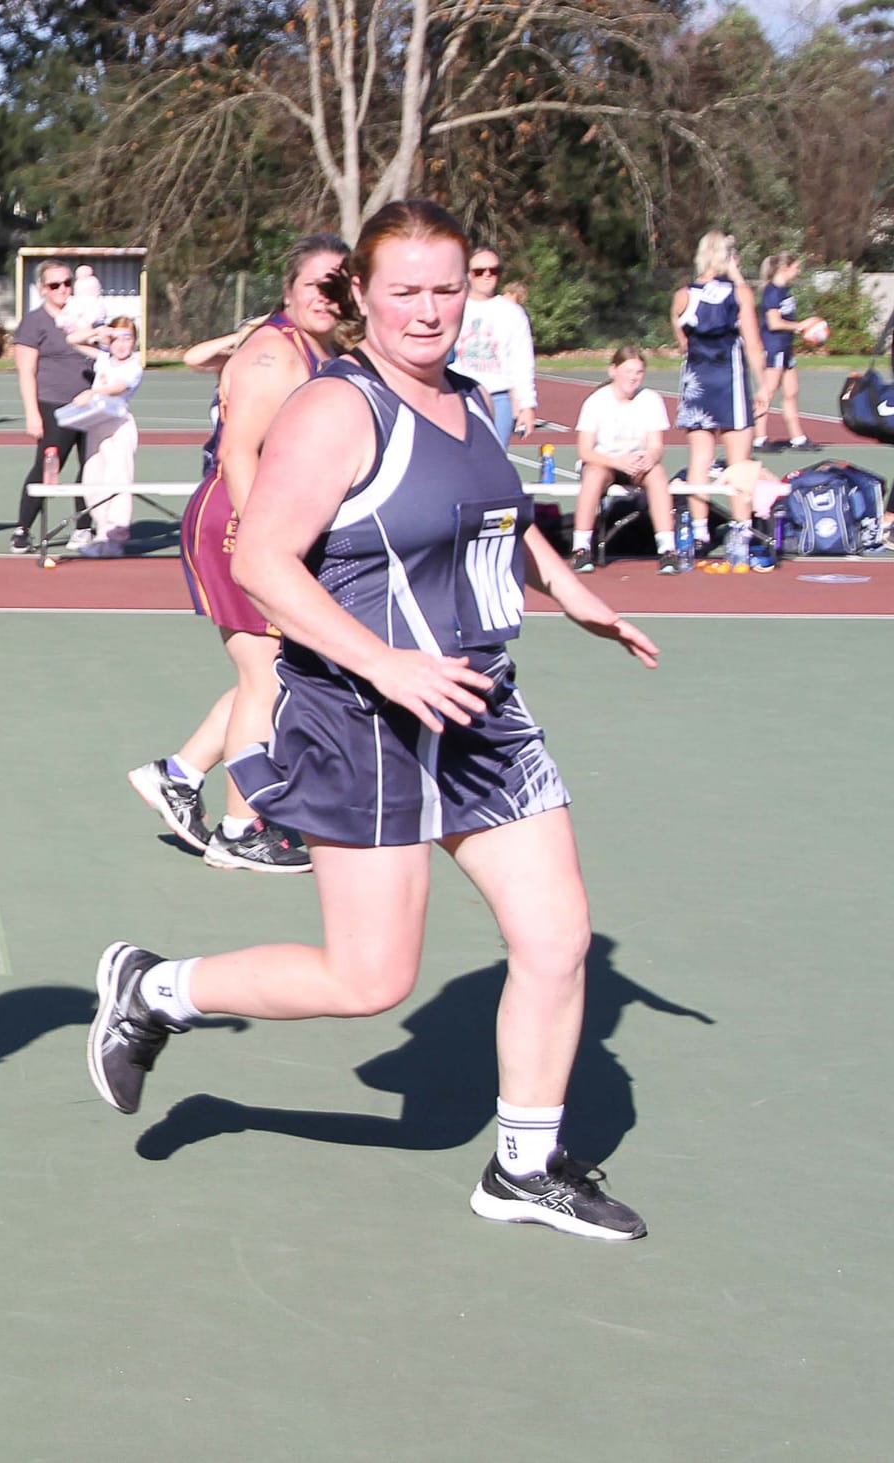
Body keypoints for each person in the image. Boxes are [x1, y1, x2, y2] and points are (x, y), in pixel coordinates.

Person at [89, 199, 661, 1243]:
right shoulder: (335, 409)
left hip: (478, 702)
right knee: (368, 978)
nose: (427, 309)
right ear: (359, 293)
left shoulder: (471, 401)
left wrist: (565, 585)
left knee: (555, 934)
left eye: (446, 287)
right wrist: (384, 663)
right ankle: (155, 988)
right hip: (363, 713)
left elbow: (493, 513)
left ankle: (523, 1166)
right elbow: (259, 557)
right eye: (403, 289)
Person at [128, 232, 350, 874]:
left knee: (276, 671)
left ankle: (179, 774)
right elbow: (237, 454)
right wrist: (266, 540)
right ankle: (240, 827)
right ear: (289, 291)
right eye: (316, 285)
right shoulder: (273, 355)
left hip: (264, 516)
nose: (327, 298)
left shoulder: (318, 348)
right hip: (238, 515)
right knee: (269, 676)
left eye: (339, 286)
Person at [672, 231, 767, 564]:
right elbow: (754, 344)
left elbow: (683, 343)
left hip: (698, 380)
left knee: (700, 459)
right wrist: (765, 386)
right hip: (729, 379)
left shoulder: (683, 296)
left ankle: (699, 532)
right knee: (739, 462)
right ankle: (740, 532)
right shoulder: (739, 294)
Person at [10, 259, 97, 554]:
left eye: (67, 283)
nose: (63, 289)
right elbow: (25, 371)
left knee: (93, 466)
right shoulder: (35, 322)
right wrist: (32, 414)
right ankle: (23, 529)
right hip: (54, 405)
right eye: (55, 285)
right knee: (48, 467)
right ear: (42, 289)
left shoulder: (86, 315)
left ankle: (83, 526)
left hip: (93, 404)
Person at [569, 345, 679, 575]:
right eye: (628, 371)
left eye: (638, 372)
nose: (633, 377)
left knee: (658, 475)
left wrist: (651, 457)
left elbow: (656, 446)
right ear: (613, 370)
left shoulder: (651, 399)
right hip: (605, 461)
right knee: (593, 475)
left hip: (636, 463)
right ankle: (580, 548)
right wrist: (617, 462)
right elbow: (585, 450)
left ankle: (667, 550)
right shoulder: (596, 401)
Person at [65, 315, 145, 555]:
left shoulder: (134, 364)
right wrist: (100, 331)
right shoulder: (103, 357)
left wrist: (93, 392)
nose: (121, 344)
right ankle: (102, 533)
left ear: (134, 341)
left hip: (118, 426)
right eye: (116, 338)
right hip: (96, 425)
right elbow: (71, 339)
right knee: (92, 481)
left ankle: (115, 538)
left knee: (118, 481)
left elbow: (118, 387)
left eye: (127, 338)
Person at [452, 245, 538, 445]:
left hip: (498, 399)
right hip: (459, 396)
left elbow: (522, 362)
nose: (487, 275)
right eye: (479, 271)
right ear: (467, 273)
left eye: (494, 270)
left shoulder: (512, 312)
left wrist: (527, 405)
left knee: (494, 464)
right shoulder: (453, 306)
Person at [752, 253, 818, 454]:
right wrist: (801, 326)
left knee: (791, 392)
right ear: (784, 268)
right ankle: (758, 438)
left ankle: (797, 438)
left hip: (785, 347)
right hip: (773, 347)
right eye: (796, 267)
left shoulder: (785, 290)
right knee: (768, 391)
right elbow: (774, 322)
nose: (798, 271)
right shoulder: (772, 291)